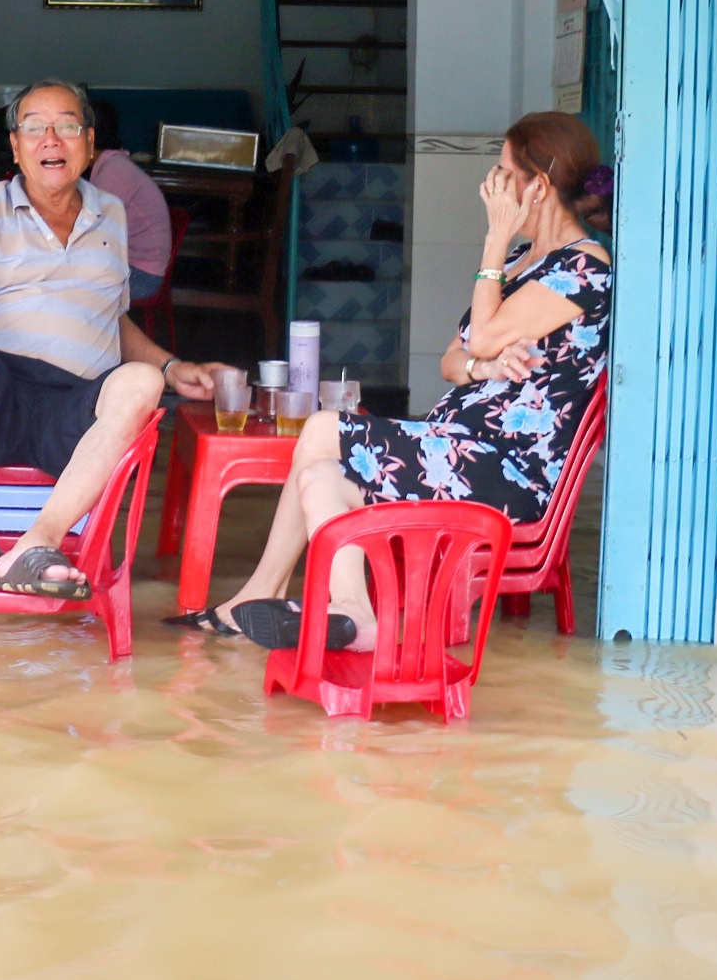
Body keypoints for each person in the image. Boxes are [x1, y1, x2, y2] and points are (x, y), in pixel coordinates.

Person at [173, 111, 611, 652]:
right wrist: (487, 368)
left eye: (501, 174)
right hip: (457, 449)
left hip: (504, 474)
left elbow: (479, 335)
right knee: (320, 477)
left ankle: (277, 595)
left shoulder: (584, 268)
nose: (490, 188)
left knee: (323, 428)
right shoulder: (527, 262)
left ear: (537, 188)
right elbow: (455, 359)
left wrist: (493, 242)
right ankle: (352, 614)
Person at [0, 79, 228, 599]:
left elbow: (109, 319)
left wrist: (169, 368)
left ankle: (38, 543)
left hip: (72, 413)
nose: (51, 139)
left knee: (139, 381)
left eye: (67, 126)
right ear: (15, 146)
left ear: (89, 143)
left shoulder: (110, 213)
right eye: (34, 128)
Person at [84, 99, 175, 305]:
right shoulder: (110, 165)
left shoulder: (112, 172)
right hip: (132, 268)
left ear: (89, 136)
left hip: (141, 276)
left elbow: (94, 236)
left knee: (61, 285)